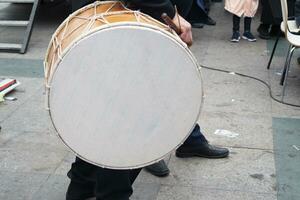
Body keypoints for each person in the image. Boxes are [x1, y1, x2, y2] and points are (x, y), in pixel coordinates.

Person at [66, 0, 227, 199]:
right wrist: (169, 12)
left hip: (113, 22)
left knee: (106, 114)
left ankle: (83, 185)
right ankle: (105, 192)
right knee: (125, 122)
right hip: (115, 25)